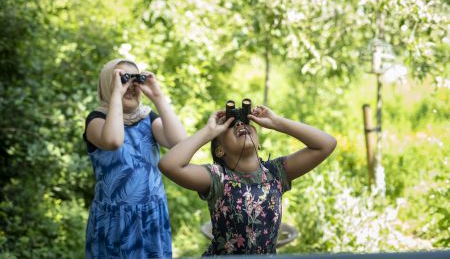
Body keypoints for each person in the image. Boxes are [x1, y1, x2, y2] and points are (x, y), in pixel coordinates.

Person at [158, 101, 337, 256]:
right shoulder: (217, 177)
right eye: (231, 125)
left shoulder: (276, 172)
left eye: (245, 122)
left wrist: (276, 122)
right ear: (220, 151)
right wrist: (209, 132)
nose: (239, 125)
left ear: (258, 143)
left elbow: (326, 144)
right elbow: (169, 165)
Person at [83, 58, 187, 258]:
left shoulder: (147, 117)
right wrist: (116, 95)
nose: (129, 87)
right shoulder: (96, 120)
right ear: (108, 85)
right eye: (122, 79)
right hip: (114, 220)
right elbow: (113, 140)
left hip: (151, 216)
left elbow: (180, 142)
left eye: (134, 80)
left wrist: (157, 97)